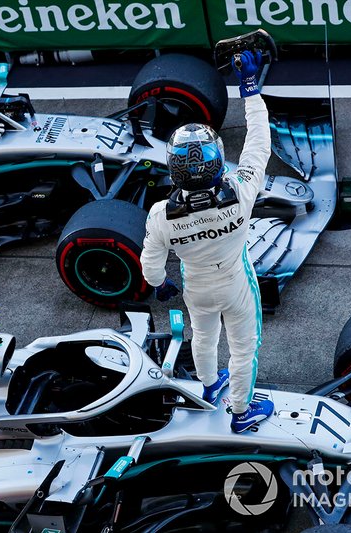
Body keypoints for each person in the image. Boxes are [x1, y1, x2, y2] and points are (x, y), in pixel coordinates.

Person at [140, 50, 274, 433]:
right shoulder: (243, 191)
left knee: (203, 335)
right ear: (217, 162)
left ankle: (210, 385)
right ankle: (243, 411)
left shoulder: (161, 215)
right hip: (236, 285)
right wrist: (249, 88)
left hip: (196, 287)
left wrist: (159, 284)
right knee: (245, 348)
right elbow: (259, 143)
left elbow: (151, 261)